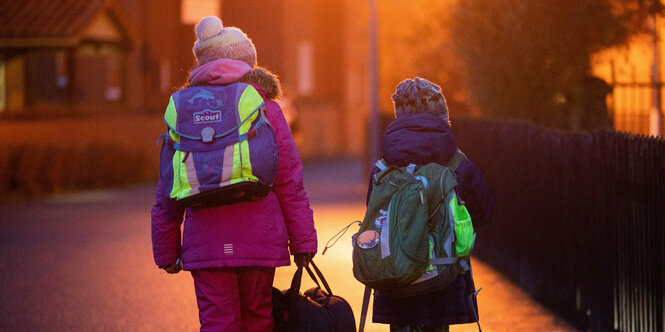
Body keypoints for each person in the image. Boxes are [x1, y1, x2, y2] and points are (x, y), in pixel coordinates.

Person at [151, 16, 317, 332]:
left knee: (217, 321)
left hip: (206, 243)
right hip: (260, 238)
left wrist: (166, 251)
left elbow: (168, 187)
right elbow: (288, 180)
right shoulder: (264, 107)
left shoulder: (185, 111)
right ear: (247, 63)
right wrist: (303, 242)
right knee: (257, 317)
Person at [366, 77, 494, 332]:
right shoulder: (457, 163)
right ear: (442, 114)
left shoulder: (383, 167)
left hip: (395, 279)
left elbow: (372, 212)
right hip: (442, 279)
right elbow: (483, 210)